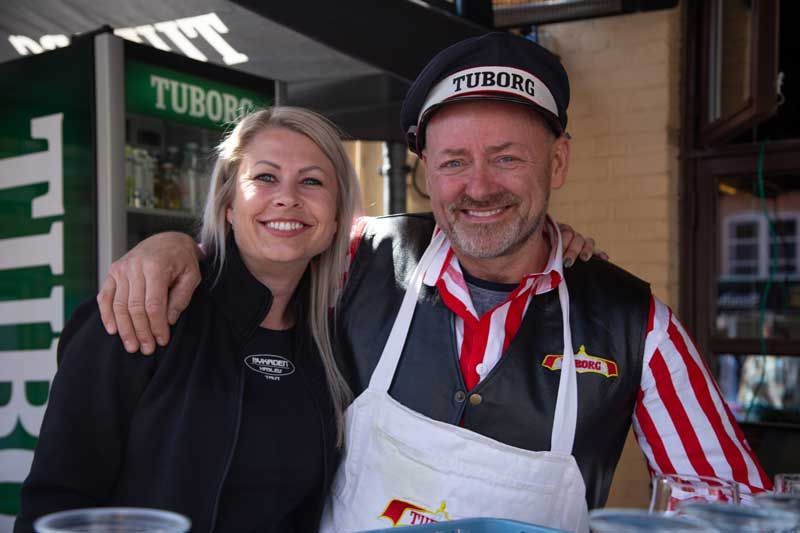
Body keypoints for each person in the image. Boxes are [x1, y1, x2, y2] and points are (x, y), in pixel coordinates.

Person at [95, 33, 771, 532]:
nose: (478, 188)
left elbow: (727, 503)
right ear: (424, 171)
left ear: (557, 161)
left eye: (507, 158)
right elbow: (265, 235)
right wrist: (176, 244)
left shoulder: (635, 321)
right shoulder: (358, 256)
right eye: (454, 162)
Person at [15, 106, 362, 533]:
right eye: (265, 177)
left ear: (334, 219)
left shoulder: (335, 341)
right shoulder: (145, 308)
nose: (287, 196)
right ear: (229, 204)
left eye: (312, 181)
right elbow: (55, 503)